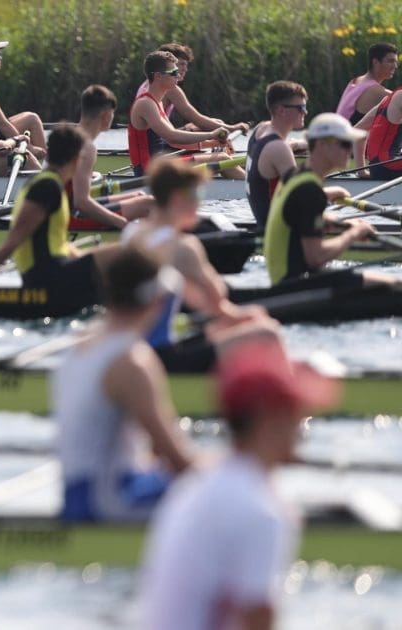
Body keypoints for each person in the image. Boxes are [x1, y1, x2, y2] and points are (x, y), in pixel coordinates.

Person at [140, 336, 338, 630]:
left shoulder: (196, 485)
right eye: (294, 413)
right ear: (268, 420)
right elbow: (258, 622)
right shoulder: (259, 511)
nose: (301, 428)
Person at [52, 246, 195, 522]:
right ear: (156, 300)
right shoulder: (132, 361)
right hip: (105, 502)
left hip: (77, 496)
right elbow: (178, 460)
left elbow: (157, 455)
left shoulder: (80, 346)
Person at [125, 158, 278, 372]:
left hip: (130, 349)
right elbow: (220, 306)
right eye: (197, 195)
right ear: (177, 199)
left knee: (215, 329)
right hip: (161, 356)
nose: (200, 203)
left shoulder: (132, 234)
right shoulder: (184, 247)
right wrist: (255, 313)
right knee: (267, 331)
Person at [0, 124, 113, 294]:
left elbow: (58, 243)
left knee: (113, 256)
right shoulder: (46, 187)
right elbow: (14, 239)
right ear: (77, 159)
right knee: (124, 251)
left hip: (56, 267)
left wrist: (86, 260)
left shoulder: (51, 183)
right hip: (44, 277)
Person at [264, 113, 399, 287]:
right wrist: (353, 234)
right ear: (322, 145)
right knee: (396, 283)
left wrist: (338, 224)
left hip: (290, 278)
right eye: (344, 144)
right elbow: (316, 258)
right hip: (296, 285)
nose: (350, 150)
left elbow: (298, 217)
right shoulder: (309, 190)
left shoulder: (297, 176)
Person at [246, 81, 350, 225]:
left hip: (266, 220)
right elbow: (302, 196)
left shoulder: (260, 130)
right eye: (301, 108)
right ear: (281, 110)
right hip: (279, 228)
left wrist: (301, 144)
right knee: (358, 227)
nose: (305, 112)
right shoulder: (279, 148)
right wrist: (337, 191)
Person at [129, 51, 242, 178]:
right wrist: (211, 134)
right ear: (158, 76)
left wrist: (212, 143)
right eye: (173, 72)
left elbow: (173, 143)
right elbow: (172, 136)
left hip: (161, 166)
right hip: (149, 172)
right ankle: (253, 188)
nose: (178, 76)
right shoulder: (145, 103)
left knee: (222, 158)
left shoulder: (157, 103)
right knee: (222, 159)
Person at [73, 85, 151, 225]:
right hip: (71, 216)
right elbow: (81, 203)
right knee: (148, 204)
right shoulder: (87, 147)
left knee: (139, 195)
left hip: (67, 207)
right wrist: (120, 222)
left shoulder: (70, 137)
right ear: (106, 115)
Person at [134, 43, 250, 135]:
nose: (185, 69)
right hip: (155, 144)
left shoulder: (150, 82)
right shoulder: (171, 89)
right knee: (211, 126)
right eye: (181, 64)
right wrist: (232, 128)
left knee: (208, 125)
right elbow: (196, 118)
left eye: (186, 65)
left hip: (157, 136)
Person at [336, 42, 398, 124]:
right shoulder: (376, 91)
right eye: (390, 61)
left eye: (395, 62)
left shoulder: (356, 81)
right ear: (375, 62)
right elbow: (398, 99)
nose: (395, 66)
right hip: (347, 131)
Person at [356, 81, 402, 179]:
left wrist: (361, 171)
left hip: (376, 166)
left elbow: (358, 129)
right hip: (389, 164)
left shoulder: (386, 100)